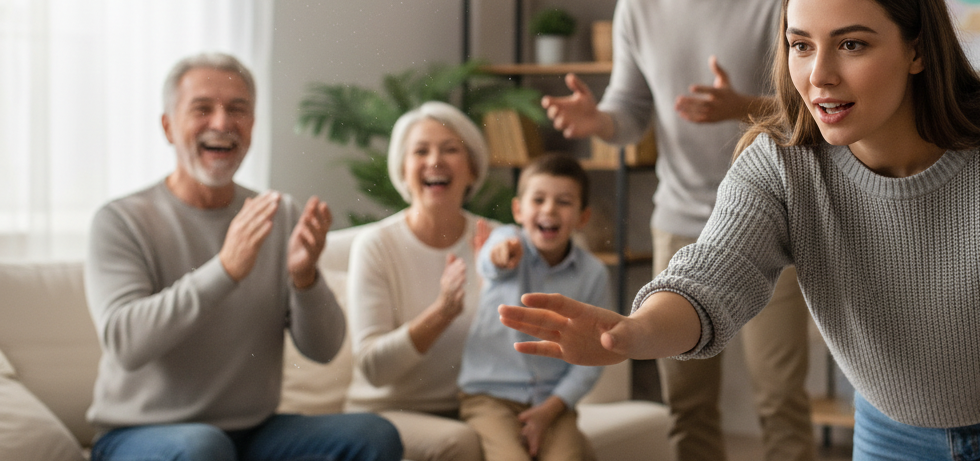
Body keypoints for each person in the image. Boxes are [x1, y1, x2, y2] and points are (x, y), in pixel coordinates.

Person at [502, 0, 980, 461]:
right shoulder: (781, 162)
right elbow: (713, 276)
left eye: (851, 44)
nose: (819, 75)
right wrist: (633, 333)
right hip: (891, 435)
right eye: (801, 45)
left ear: (916, 49)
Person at [541, 0, 813, 461]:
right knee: (687, 408)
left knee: (779, 402)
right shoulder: (639, 0)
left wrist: (739, 107)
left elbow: (811, 116)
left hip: (777, 221)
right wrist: (597, 120)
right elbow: (629, 117)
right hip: (681, 224)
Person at [85, 52, 402, 461]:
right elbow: (125, 344)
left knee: (374, 436)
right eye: (202, 109)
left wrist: (306, 279)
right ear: (167, 126)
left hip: (254, 432)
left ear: (252, 125)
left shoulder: (280, 213)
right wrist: (225, 270)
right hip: (141, 436)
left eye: (238, 109)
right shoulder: (121, 221)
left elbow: (324, 350)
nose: (222, 122)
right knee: (203, 448)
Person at [346, 101, 501, 461]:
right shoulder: (376, 246)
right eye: (421, 151)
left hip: (474, 407)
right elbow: (373, 368)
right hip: (386, 411)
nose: (435, 160)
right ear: (403, 169)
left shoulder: (496, 242)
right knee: (459, 443)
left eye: (450, 149)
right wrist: (441, 314)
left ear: (473, 169)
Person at [458, 153, 609, 461]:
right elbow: (491, 260)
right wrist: (501, 254)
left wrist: (550, 410)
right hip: (489, 397)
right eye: (538, 199)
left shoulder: (594, 274)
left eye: (564, 201)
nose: (549, 209)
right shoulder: (509, 241)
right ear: (518, 209)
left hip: (553, 403)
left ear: (582, 217)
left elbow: (594, 354)